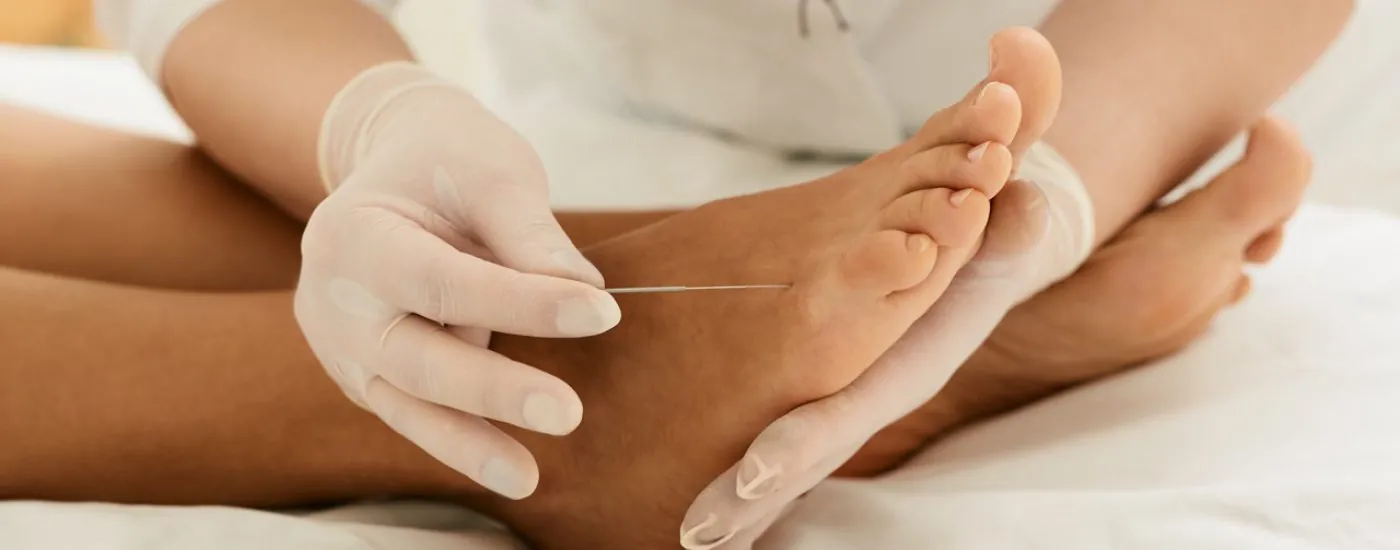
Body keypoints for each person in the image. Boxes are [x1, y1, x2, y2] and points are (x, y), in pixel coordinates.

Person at [0, 0, 1350, 548]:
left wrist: (1061, 179)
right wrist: (366, 124)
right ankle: (572, 372)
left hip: (1128, 69)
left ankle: (574, 357)